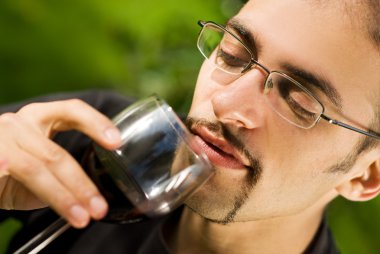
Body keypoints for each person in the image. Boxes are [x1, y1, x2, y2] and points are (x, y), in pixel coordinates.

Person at [1, 0, 380, 253]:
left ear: (366, 176)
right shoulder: (104, 138)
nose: (225, 102)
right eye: (233, 54)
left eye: (299, 102)